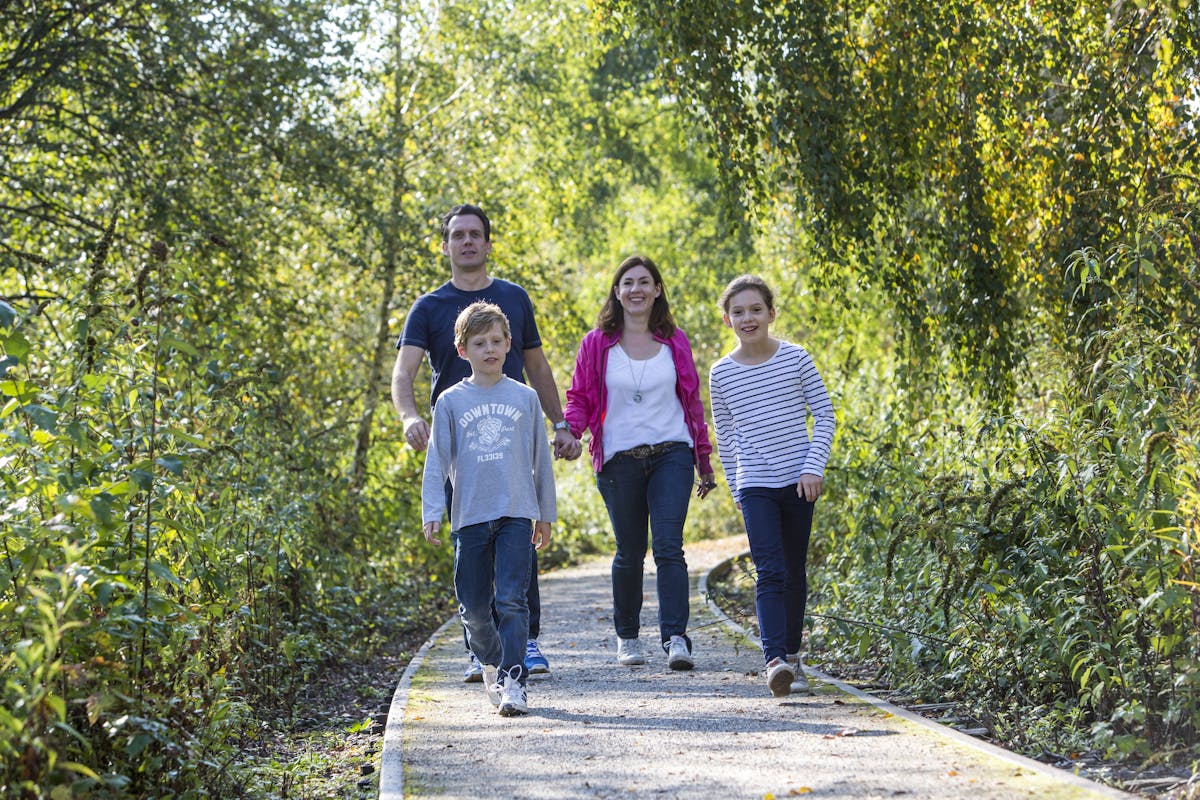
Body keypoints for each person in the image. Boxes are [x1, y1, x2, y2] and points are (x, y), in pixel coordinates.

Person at [392, 203, 581, 682]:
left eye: (476, 234)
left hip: (511, 441)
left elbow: (537, 367)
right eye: (459, 235)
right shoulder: (429, 307)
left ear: (488, 243)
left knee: (519, 539)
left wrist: (558, 422)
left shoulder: (512, 298)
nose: (468, 241)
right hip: (459, 448)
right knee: (470, 553)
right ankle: (479, 649)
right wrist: (410, 415)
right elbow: (404, 372)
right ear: (447, 245)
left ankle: (526, 641)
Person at [563, 254, 716, 670]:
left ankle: (675, 638)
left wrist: (703, 460)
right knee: (630, 551)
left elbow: (692, 402)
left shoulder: (675, 340)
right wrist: (570, 432)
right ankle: (627, 636)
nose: (636, 289)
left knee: (669, 546)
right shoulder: (596, 343)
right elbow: (579, 397)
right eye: (627, 282)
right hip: (618, 460)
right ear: (617, 291)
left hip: (672, 453)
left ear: (657, 290)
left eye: (644, 282)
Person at [422, 302, 556, 716]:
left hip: (516, 511)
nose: (490, 349)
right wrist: (432, 509)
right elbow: (436, 459)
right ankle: (490, 660)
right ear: (462, 350)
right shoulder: (450, 401)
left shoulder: (525, 398)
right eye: (480, 343)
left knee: (512, 600)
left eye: (497, 341)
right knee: (474, 608)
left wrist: (545, 513)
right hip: (469, 516)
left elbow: (540, 459)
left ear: (509, 345)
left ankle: (514, 680)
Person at [708, 275, 835, 697]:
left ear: (770, 314)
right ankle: (775, 659)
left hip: (801, 483)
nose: (748, 318)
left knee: (795, 571)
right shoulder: (721, 373)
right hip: (756, 483)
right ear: (728, 320)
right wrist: (737, 490)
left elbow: (826, 416)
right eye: (739, 312)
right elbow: (725, 437)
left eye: (756, 310)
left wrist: (813, 467)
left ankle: (794, 657)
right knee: (770, 571)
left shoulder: (796, 359)